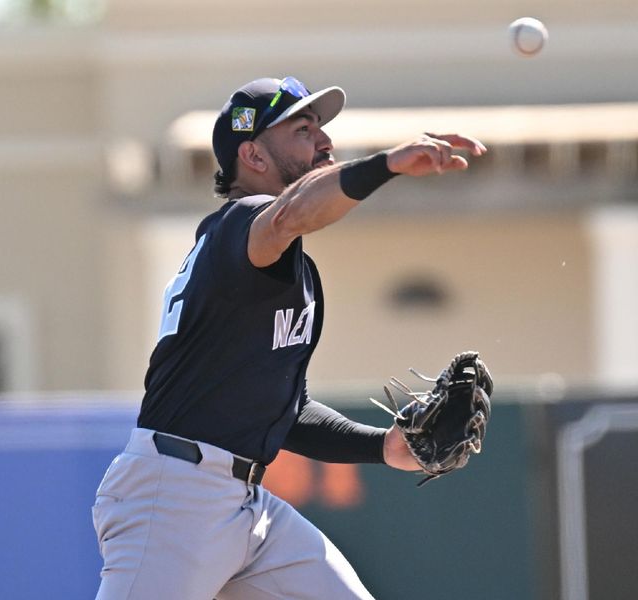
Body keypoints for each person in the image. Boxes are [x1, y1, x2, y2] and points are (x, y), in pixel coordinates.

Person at [92, 76, 487, 600]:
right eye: (303, 129)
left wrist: (385, 447)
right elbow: (290, 213)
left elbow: (287, 410)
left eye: (319, 128)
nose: (323, 142)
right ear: (253, 155)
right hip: (173, 498)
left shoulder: (286, 267)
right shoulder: (241, 224)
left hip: (245, 504)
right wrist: (385, 165)